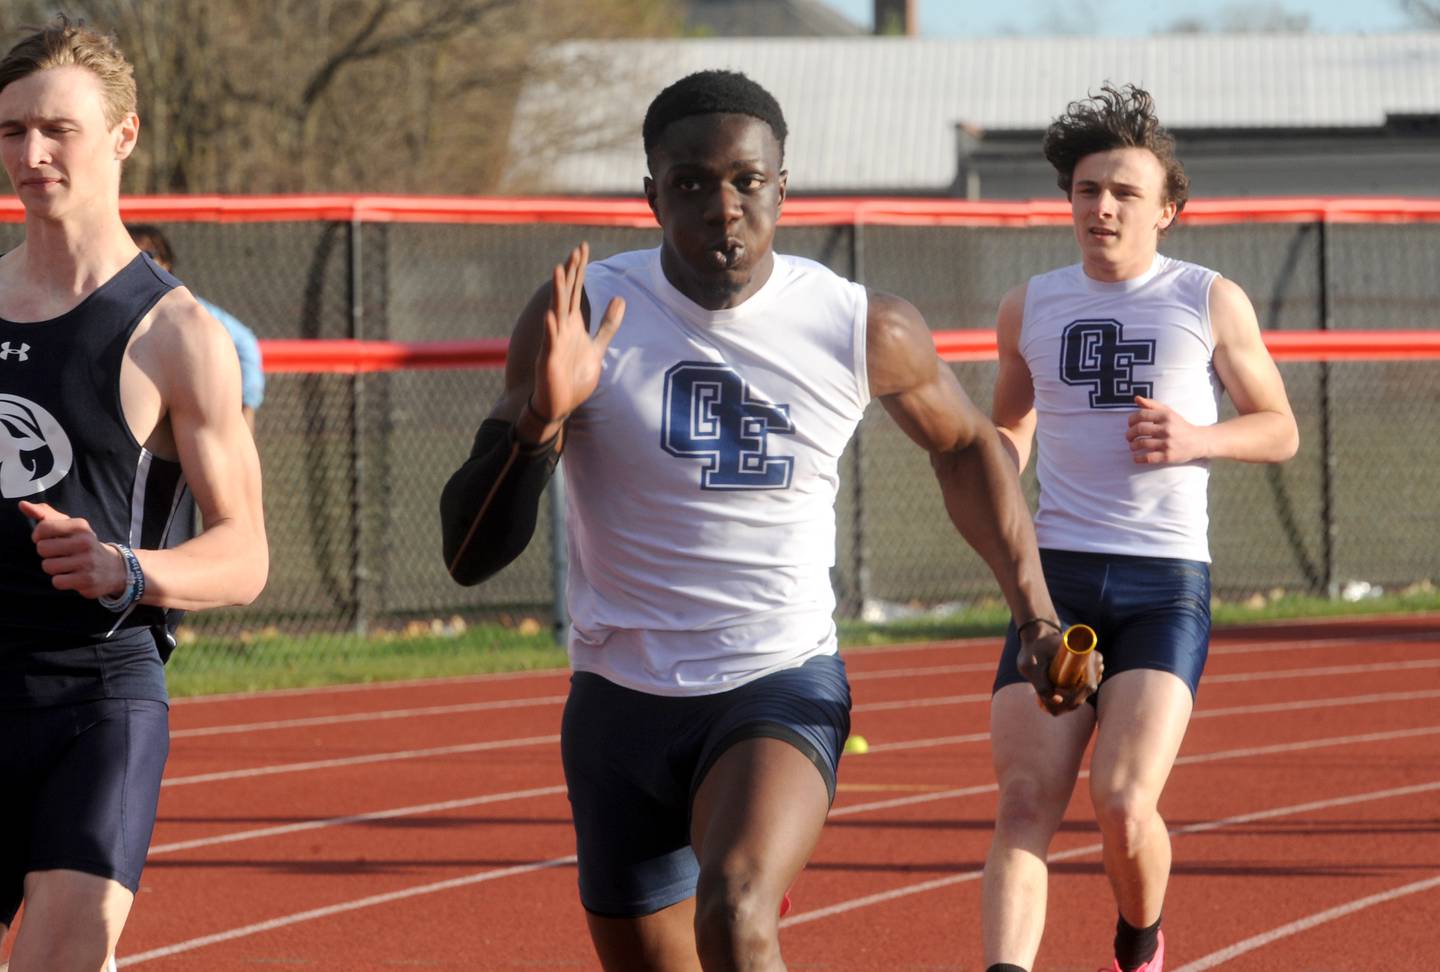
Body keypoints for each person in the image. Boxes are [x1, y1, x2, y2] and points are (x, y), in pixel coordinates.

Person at [440, 69, 1066, 972]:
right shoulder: (579, 315)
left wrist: (1036, 614)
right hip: (619, 701)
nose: (722, 208)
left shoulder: (861, 326)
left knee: (735, 914)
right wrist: (540, 419)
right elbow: (469, 555)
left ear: (784, 188)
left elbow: (968, 449)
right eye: (690, 184)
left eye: (746, 181)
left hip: (776, 678)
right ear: (651, 196)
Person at [981, 83, 1299, 972]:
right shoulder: (1029, 305)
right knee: (1021, 803)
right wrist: (992, 473)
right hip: (1052, 579)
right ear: (1068, 203)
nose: (1103, 207)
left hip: (1163, 583)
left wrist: (1200, 437)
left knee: (1122, 803)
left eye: (1124, 192)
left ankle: (1140, 938)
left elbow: (1280, 427)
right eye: (1088, 191)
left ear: (1167, 209)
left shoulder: (1208, 299)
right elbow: (1010, 429)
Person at [0, 17, 267, 972]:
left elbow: (244, 553)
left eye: (57, 130)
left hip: (95, 698)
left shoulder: (176, 335)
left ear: (122, 136)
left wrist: (128, 567)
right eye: (12, 130)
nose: (31, 154)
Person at [127, 224, 266, 432]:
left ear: (165, 262)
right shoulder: (104, 310)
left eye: (149, 254)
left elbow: (244, 342)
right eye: (132, 254)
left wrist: (246, 402)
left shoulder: (187, 310)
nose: (141, 262)